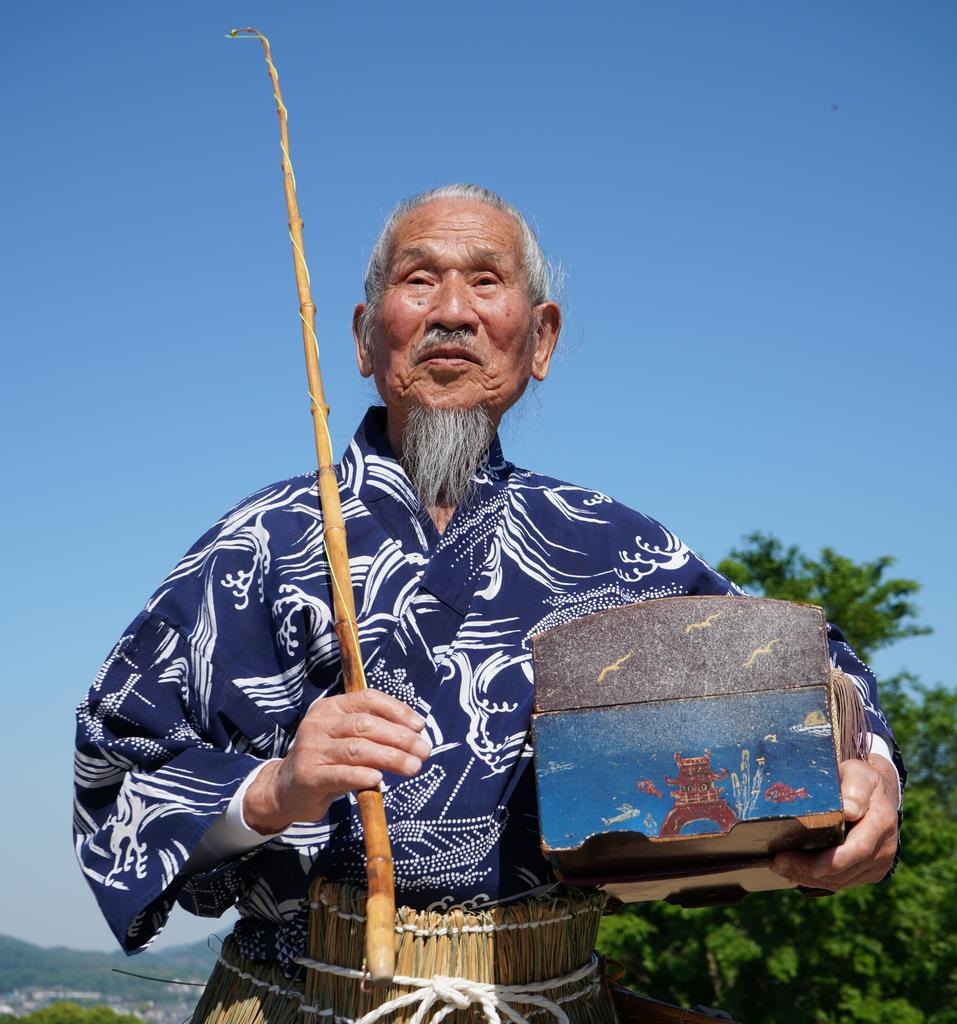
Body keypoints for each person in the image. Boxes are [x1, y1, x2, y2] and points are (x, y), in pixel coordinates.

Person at [74, 184, 903, 997]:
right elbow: (114, 766)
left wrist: (870, 777)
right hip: (305, 994)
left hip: (544, 995)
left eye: (485, 280)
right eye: (418, 278)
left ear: (539, 340)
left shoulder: (610, 546)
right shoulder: (258, 545)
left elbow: (810, 667)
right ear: (365, 340)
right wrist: (274, 788)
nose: (452, 312)